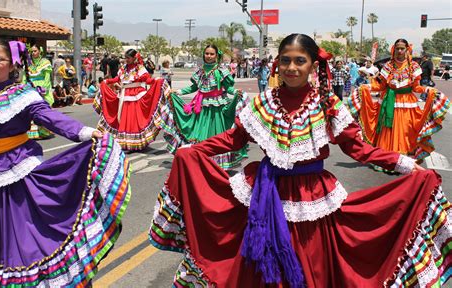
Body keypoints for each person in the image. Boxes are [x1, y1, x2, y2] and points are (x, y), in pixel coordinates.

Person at [149, 33, 451, 288]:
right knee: (256, 268)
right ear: (276, 63)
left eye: (299, 61)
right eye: (285, 60)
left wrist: (403, 163)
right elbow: (232, 139)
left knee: (311, 267)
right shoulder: (263, 102)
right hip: (264, 195)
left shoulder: (326, 104)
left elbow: (357, 148)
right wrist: (194, 151)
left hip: (311, 198)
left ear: (312, 65)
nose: (291, 67)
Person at [0, 39, 131, 286]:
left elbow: (50, 118)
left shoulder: (21, 94)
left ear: (12, 64)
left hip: (14, 176)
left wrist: (85, 132)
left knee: (22, 243)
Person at [348, 39, 450, 172]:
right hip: (388, 102)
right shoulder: (388, 66)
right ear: (394, 49)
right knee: (388, 131)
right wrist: (367, 87)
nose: (400, 51)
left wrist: (427, 90)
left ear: (407, 49)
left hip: (407, 103)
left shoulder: (413, 66)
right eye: (398, 48)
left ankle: (404, 159)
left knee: (407, 130)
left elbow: (416, 87)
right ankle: (387, 158)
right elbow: (381, 86)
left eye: (402, 48)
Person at [161, 44, 248, 169]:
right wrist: (178, 92)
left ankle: (217, 162)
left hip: (217, 108)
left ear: (216, 56)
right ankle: (200, 159)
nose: (209, 56)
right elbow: (193, 87)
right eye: (207, 53)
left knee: (216, 134)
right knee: (199, 133)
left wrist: (235, 93)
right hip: (201, 107)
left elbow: (228, 88)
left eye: (211, 54)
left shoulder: (221, 71)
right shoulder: (200, 71)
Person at [94, 49, 169, 151]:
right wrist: (106, 81)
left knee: (132, 120)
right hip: (124, 95)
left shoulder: (140, 69)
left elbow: (147, 80)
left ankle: (132, 142)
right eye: (125, 58)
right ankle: (125, 142)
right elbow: (117, 79)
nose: (126, 60)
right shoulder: (124, 68)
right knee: (123, 119)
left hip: (135, 95)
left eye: (128, 58)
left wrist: (157, 80)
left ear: (134, 58)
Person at [25, 44, 54, 140]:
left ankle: (44, 131)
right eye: (32, 51)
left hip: (41, 87)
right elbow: (25, 76)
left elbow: (47, 77)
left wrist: (43, 89)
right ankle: (32, 132)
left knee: (42, 110)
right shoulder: (28, 63)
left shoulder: (45, 62)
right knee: (31, 110)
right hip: (30, 87)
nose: (33, 53)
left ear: (40, 51)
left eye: (35, 51)